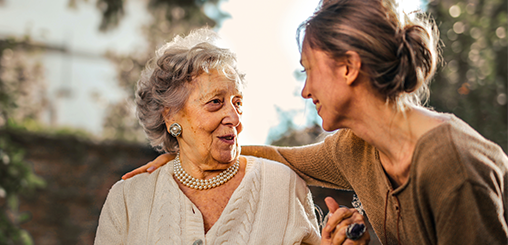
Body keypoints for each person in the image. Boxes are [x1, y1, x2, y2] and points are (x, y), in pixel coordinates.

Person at [123, 0, 508, 244]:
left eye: (309, 71)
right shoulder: (355, 148)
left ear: (348, 67)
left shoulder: (452, 164)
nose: (305, 91)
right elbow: (282, 158)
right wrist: (189, 157)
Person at [94, 28, 323, 244]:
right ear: (171, 115)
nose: (234, 118)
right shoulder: (126, 199)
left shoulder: (283, 185)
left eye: (238, 103)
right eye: (215, 102)